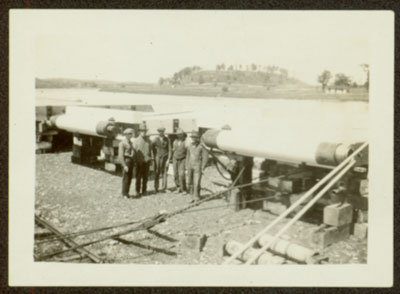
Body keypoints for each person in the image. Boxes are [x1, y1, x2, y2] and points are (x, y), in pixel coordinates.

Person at [186, 131, 208, 200]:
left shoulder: (201, 146)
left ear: (198, 138)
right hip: (190, 166)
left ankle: (196, 197)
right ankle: (191, 196)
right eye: (192, 137)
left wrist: (203, 167)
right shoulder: (190, 146)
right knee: (189, 182)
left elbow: (205, 157)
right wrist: (186, 166)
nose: (193, 139)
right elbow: (187, 156)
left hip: (197, 166)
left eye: (195, 137)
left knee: (196, 182)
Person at [133, 123, 153, 196]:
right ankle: (137, 191)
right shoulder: (136, 141)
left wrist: (150, 160)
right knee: (138, 177)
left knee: (145, 177)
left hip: (146, 162)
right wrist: (135, 161)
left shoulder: (149, 141)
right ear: (139, 131)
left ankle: (144, 190)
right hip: (139, 162)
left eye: (144, 131)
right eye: (142, 131)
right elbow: (134, 152)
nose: (143, 132)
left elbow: (150, 151)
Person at [152, 127, 171, 193]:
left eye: (162, 131)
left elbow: (170, 150)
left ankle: (164, 188)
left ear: (164, 132)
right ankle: (156, 188)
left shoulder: (167, 139)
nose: (161, 132)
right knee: (157, 172)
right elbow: (152, 149)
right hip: (157, 158)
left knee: (165, 172)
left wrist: (168, 159)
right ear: (158, 132)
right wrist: (154, 157)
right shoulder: (155, 140)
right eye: (160, 131)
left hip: (165, 158)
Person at [118, 128, 135, 198]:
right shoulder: (122, 143)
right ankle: (124, 193)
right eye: (130, 134)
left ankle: (127, 193)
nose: (131, 135)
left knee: (130, 177)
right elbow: (120, 155)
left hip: (130, 162)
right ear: (126, 135)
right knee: (126, 178)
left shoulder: (130, 143)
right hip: (126, 161)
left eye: (131, 134)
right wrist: (124, 165)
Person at [172, 128, 187, 193]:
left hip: (182, 159)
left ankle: (183, 189)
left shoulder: (185, 142)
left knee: (181, 174)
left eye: (180, 134)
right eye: (178, 134)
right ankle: (178, 187)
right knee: (175, 174)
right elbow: (173, 150)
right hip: (175, 159)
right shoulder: (175, 141)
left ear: (183, 135)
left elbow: (187, 152)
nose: (179, 136)